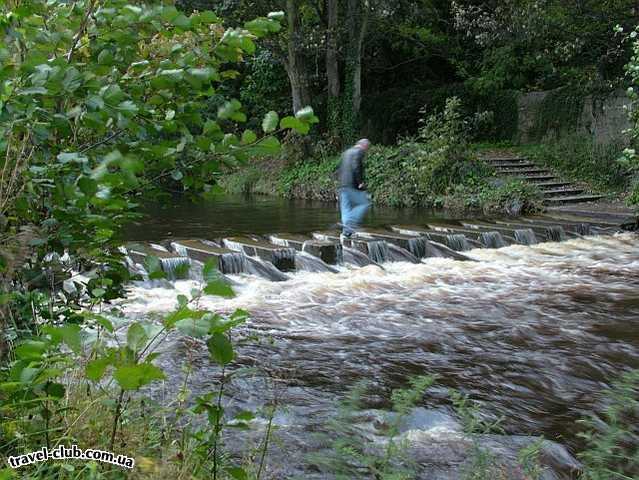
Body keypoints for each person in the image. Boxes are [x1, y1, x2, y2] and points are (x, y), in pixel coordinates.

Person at [338, 138, 371, 241]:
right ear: (364, 145)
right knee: (364, 203)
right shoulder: (359, 152)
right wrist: (360, 181)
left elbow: (340, 169)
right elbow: (356, 165)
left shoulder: (346, 152)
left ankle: (345, 233)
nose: (366, 150)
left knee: (345, 210)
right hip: (352, 184)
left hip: (343, 184)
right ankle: (349, 226)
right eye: (367, 148)